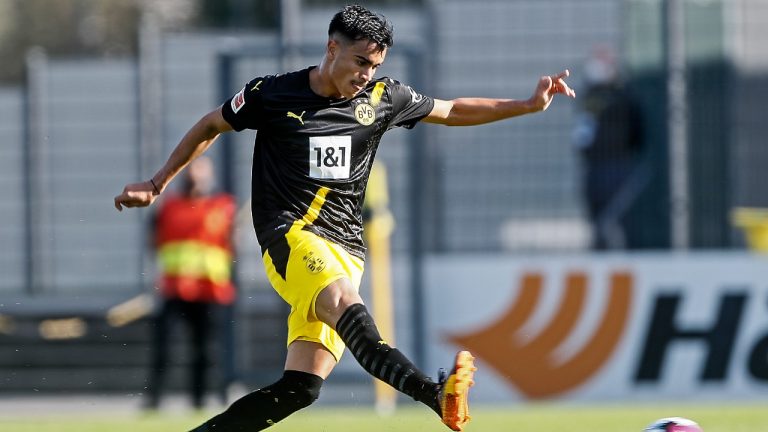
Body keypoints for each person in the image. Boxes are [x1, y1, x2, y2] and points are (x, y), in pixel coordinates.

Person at [114, 5, 575, 431]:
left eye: (375, 66)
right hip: (291, 236)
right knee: (342, 299)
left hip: (347, 248)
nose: (367, 74)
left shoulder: (381, 98)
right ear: (332, 48)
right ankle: (436, 397)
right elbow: (212, 124)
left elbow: (450, 109)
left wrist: (527, 104)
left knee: (300, 388)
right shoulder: (271, 93)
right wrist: (157, 184)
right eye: (360, 62)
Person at [144, 156, 237, 411]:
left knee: (206, 351)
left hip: (210, 291)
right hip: (175, 289)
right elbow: (154, 242)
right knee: (164, 349)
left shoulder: (223, 207)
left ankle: (200, 401)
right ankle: (154, 401)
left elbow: (231, 244)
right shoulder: (170, 207)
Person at [572, 46, 644, 250]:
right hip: (594, 167)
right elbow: (582, 133)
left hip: (619, 165)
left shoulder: (624, 95)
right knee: (597, 219)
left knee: (621, 217)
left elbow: (637, 131)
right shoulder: (588, 96)